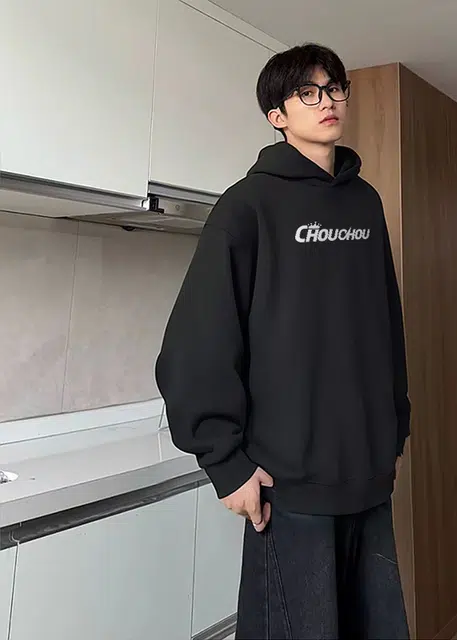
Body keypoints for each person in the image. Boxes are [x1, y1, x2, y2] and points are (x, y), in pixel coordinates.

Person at [155, 42, 411, 639]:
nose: (327, 101)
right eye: (308, 93)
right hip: (288, 481)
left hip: (369, 473)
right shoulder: (247, 206)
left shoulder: (365, 202)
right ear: (277, 115)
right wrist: (225, 462)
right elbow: (196, 341)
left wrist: (394, 426)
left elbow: (385, 322)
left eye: (334, 88)